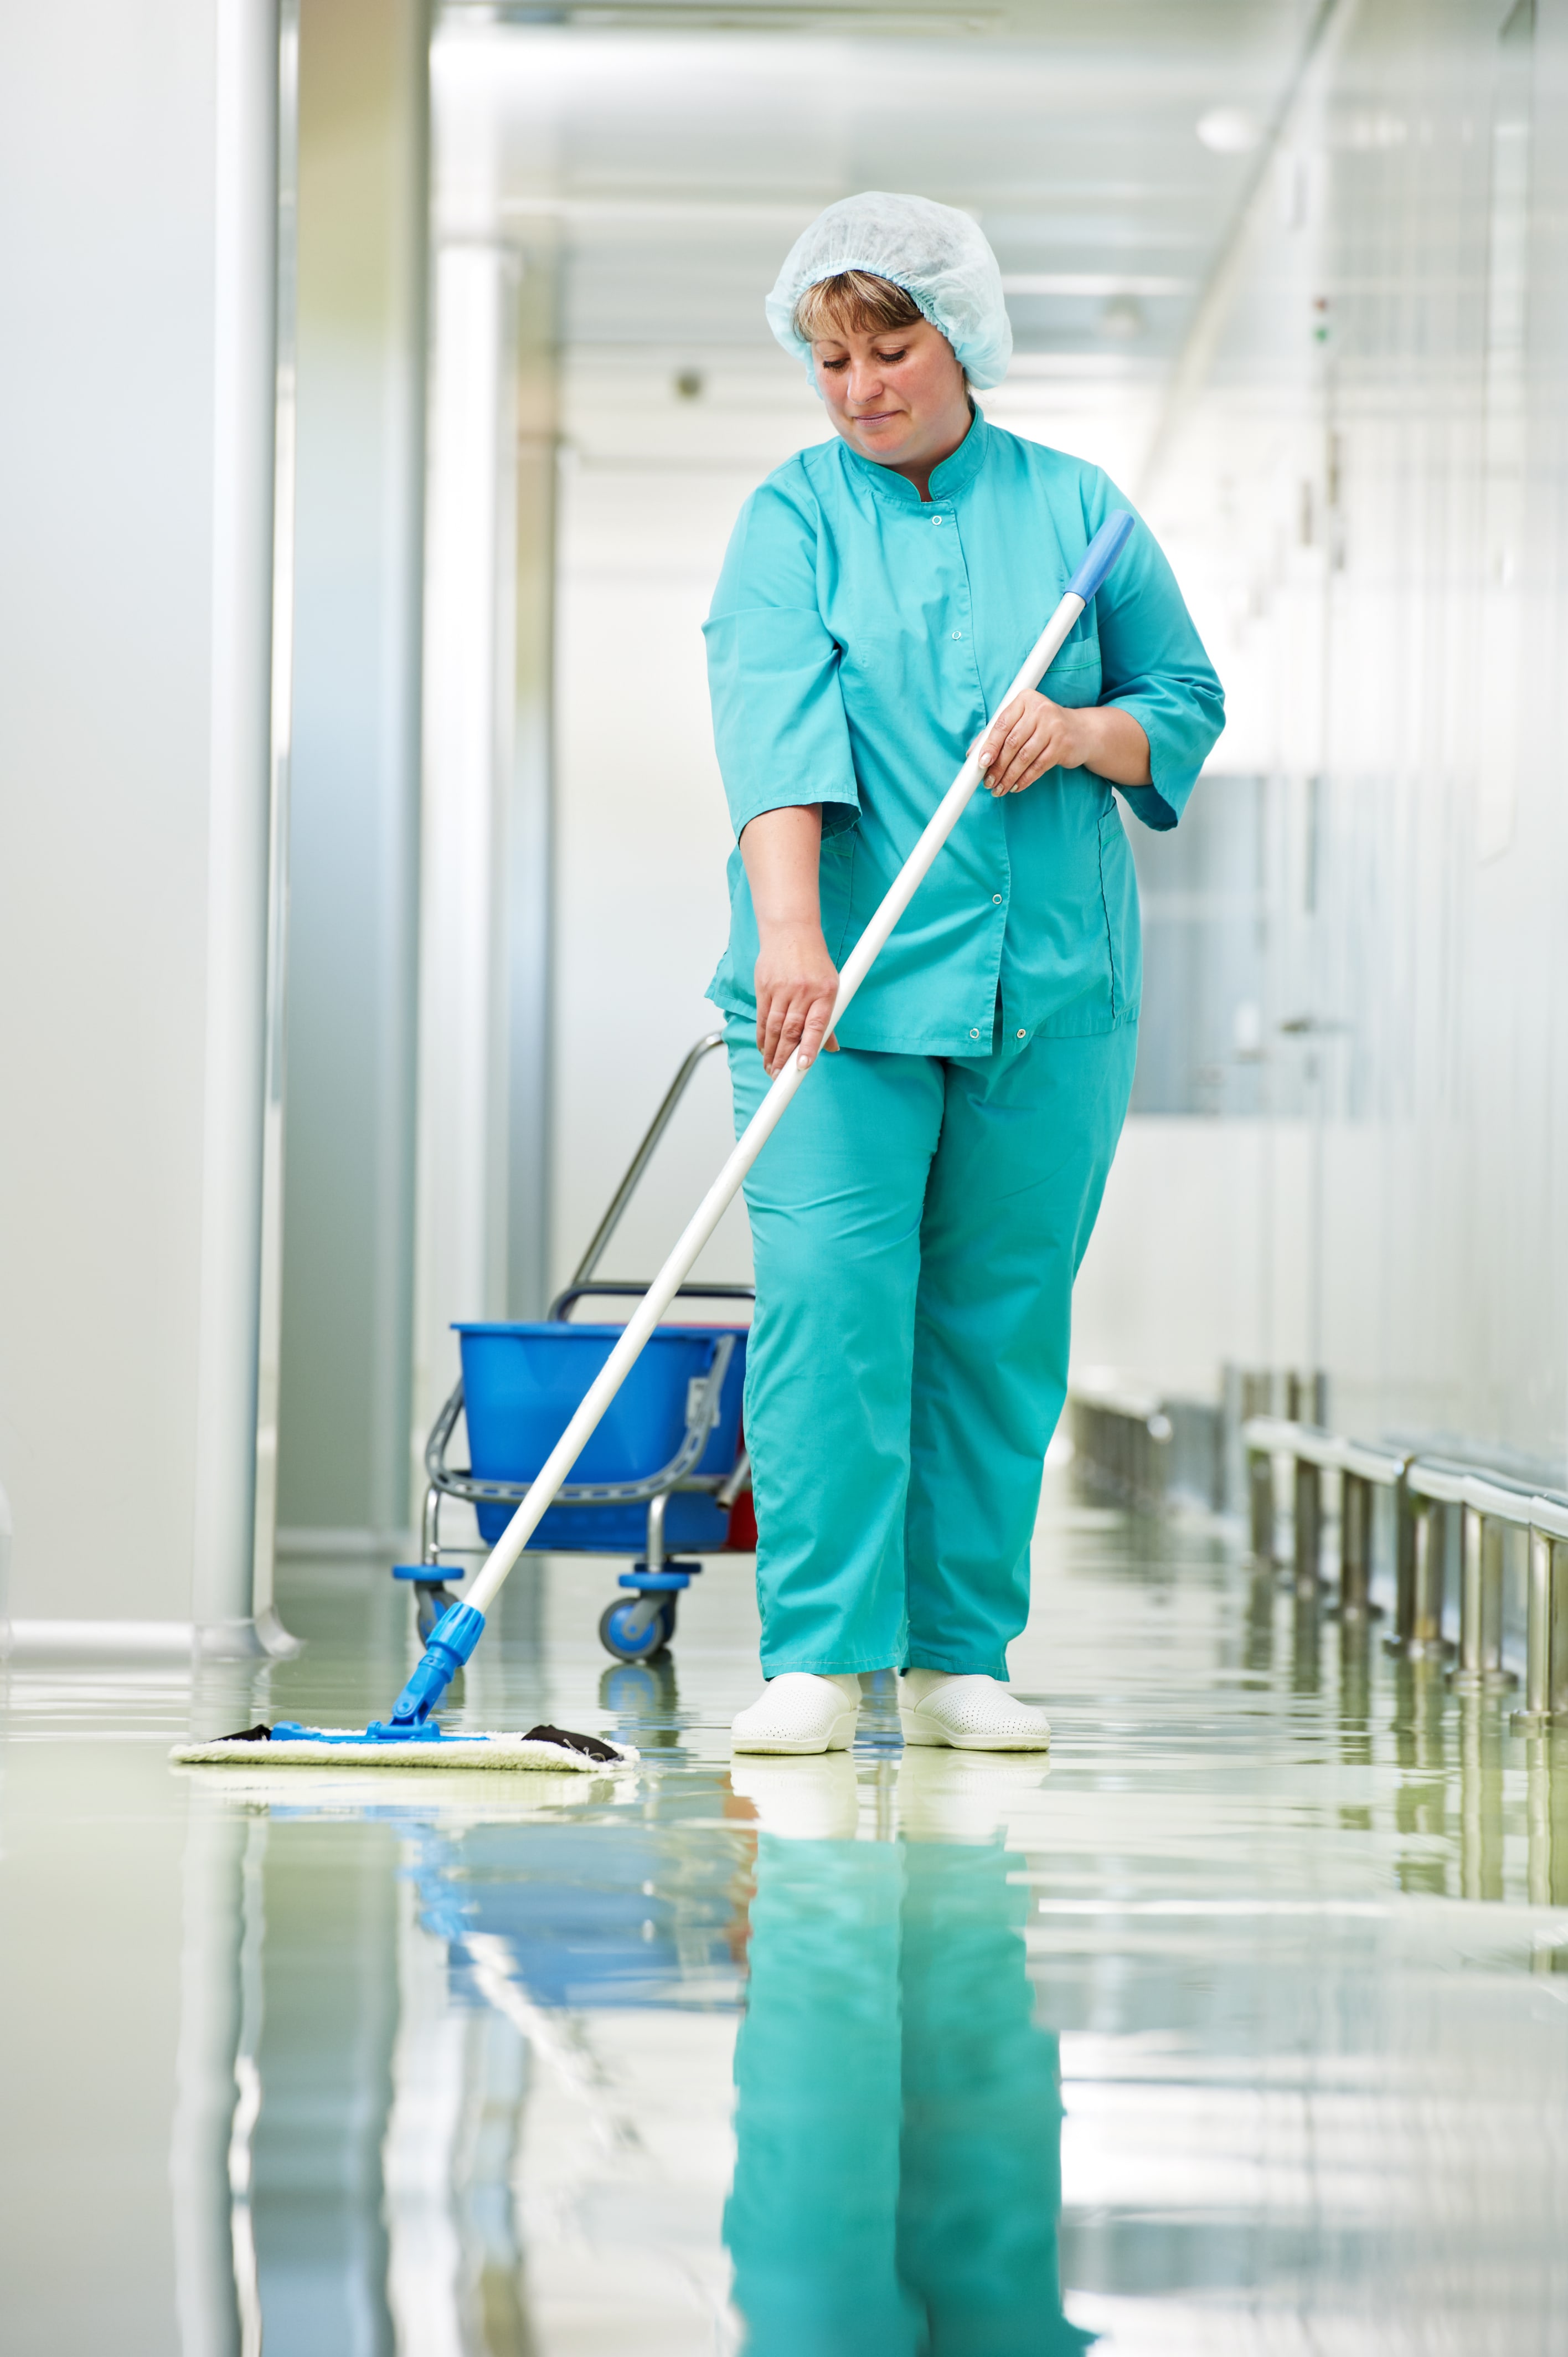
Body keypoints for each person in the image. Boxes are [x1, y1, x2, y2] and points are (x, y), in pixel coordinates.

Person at [705, 192, 1224, 1756]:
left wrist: (1082, 732)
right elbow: (773, 732)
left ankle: (955, 1658)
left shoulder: (1083, 515)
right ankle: (816, 1652)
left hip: (1048, 994)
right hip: (838, 993)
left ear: (963, 337)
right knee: (827, 1306)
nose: (863, 385)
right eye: (832, 357)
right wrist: (791, 934)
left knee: (997, 1320)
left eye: (891, 345)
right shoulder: (793, 519)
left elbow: (1184, 697)